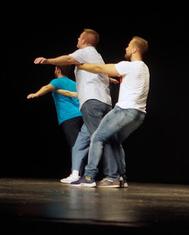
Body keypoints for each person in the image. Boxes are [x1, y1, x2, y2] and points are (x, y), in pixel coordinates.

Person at [33, 28, 118, 185]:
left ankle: (110, 176)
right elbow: (100, 71)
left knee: (100, 139)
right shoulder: (97, 56)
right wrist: (108, 78)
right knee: (81, 142)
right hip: (102, 102)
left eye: (79, 37)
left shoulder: (85, 52)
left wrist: (48, 61)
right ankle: (75, 174)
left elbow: (67, 59)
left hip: (92, 102)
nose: (77, 39)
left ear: (84, 40)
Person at [74, 36, 150, 187]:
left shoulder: (129, 66)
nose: (126, 48)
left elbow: (99, 68)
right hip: (139, 114)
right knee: (114, 141)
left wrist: (80, 65)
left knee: (97, 137)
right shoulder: (145, 68)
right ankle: (119, 178)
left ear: (135, 49)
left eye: (128, 46)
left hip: (124, 110)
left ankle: (89, 177)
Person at [26, 65, 84, 179]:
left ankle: (77, 174)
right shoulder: (74, 83)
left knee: (75, 145)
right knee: (80, 144)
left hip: (69, 117)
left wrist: (36, 94)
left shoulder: (57, 81)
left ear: (57, 69)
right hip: (80, 115)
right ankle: (80, 173)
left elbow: (47, 87)